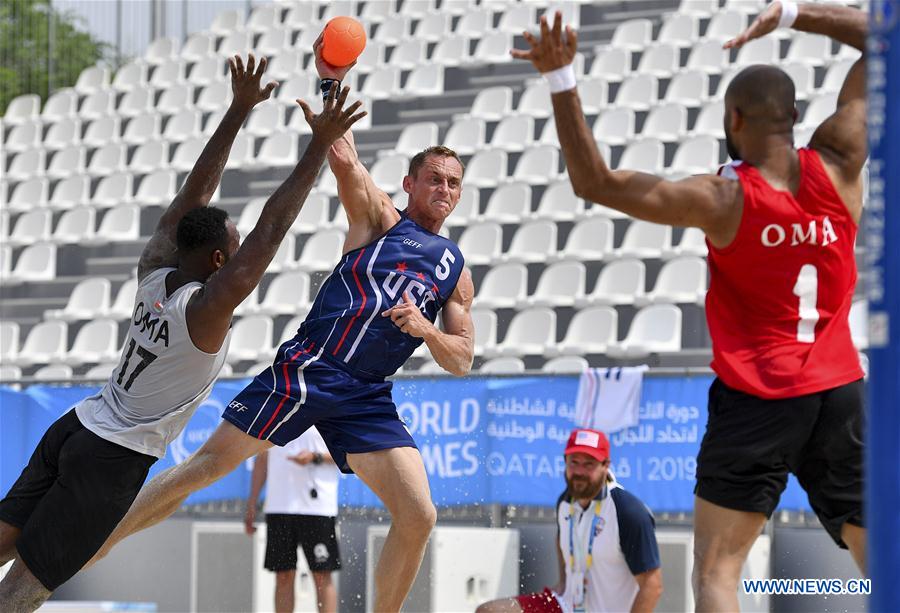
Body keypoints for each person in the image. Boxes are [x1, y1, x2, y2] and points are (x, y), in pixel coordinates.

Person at [90, 35, 476, 612]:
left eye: (453, 182)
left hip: (366, 394)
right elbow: (342, 156)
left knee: (419, 516)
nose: (443, 189)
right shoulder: (381, 218)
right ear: (410, 183)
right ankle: (85, 543)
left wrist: (426, 330)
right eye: (434, 178)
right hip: (310, 368)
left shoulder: (456, 270)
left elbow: (462, 358)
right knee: (204, 469)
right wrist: (330, 82)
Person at [513, 2, 868, 610]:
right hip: (839, 389)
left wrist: (560, 78)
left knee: (718, 572)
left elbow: (594, 182)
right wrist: (788, 15)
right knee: (880, 553)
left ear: (732, 120)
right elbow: (887, 38)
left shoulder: (722, 200)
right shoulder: (841, 162)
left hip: (758, 398)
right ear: (799, 117)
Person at [0, 54, 365, 612]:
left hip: (76, 425)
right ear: (219, 259)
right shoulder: (208, 308)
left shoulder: (154, 267)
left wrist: (238, 109)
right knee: (27, 585)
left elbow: (195, 196)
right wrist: (320, 143)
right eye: (234, 249)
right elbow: (272, 228)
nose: (243, 253)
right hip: (113, 458)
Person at [477, 429, 662, 613]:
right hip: (568, 605)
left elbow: (652, 586)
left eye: (589, 464)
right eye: (574, 462)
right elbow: (561, 539)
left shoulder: (628, 511)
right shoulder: (565, 501)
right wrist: (564, 581)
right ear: (565, 462)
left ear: (605, 465)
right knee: (489, 611)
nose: (579, 471)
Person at [244, 427, 341, 613]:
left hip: (318, 507)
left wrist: (315, 457)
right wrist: (252, 502)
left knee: (321, 575)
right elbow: (262, 458)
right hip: (279, 506)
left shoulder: (329, 405)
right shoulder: (277, 407)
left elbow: (346, 455)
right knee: (283, 575)